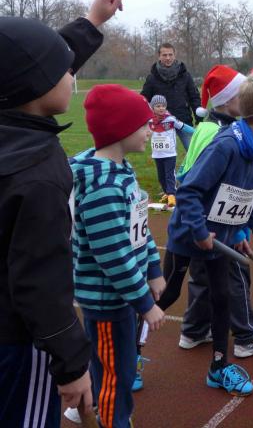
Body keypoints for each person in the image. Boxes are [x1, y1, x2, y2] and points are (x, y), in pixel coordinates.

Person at [0, 0, 121, 428]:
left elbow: (24, 61)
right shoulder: (38, 175)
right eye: (66, 72)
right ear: (33, 86)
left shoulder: (11, 117)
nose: (73, 76)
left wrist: (92, 21)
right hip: (20, 342)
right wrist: (71, 364)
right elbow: (41, 284)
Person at [153, 74, 253, 396]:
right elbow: (189, 191)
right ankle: (129, 353)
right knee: (166, 295)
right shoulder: (226, 145)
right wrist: (199, 232)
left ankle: (219, 367)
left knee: (222, 298)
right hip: (190, 233)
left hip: (220, 237)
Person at [70, 85, 167, 428]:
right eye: (143, 125)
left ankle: (109, 413)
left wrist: (153, 268)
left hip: (122, 297)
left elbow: (138, 228)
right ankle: (113, 421)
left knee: (118, 368)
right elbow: (113, 254)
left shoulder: (121, 170)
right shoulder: (104, 188)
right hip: (108, 301)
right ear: (120, 129)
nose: (150, 130)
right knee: (116, 373)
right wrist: (144, 302)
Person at [176, 65, 253, 362]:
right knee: (226, 280)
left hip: (215, 224)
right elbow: (196, 184)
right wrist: (207, 228)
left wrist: (251, 227)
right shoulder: (221, 136)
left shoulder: (251, 141)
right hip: (206, 226)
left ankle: (194, 330)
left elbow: (251, 189)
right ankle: (246, 337)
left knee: (207, 281)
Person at [140, 42, 201, 150]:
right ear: (159, 56)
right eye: (164, 55)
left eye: (170, 55)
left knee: (194, 153)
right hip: (162, 124)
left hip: (184, 120)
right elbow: (144, 99)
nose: (168, 58)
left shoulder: (185, 75)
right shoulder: (152, 78)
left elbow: (194, 97)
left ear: (174, 55)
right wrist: (146, 119)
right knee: (165, 156)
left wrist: (199, 118)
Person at [148, 95, 194, 208]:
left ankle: (172, 194)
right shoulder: (150, 121)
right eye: (158, 106)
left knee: (169, 175)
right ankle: (167, 193)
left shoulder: (171, 119)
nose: (161, 108)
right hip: (157, 154)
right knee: (161, 177)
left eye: (163, 106)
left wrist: (197, 132)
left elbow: (184, 127)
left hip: (169, 154)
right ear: (152, 108)